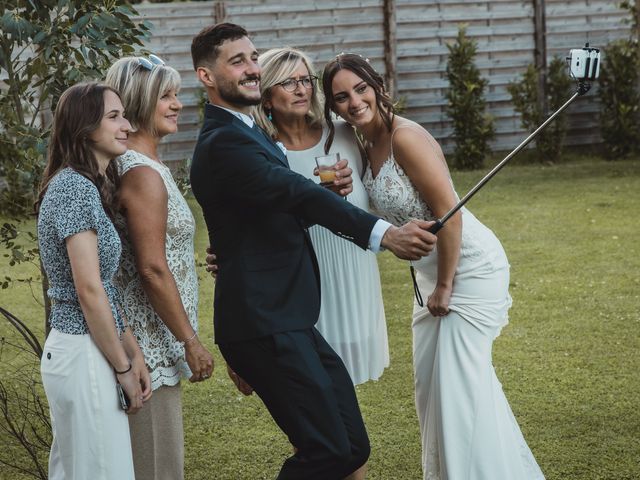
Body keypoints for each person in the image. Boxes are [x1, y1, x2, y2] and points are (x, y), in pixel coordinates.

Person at [190, 23, 437, 480]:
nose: (250, 69)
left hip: (292, 316)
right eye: (237, 61)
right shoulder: (224, 141)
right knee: (327, 451)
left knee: (352, 445)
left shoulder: (249, 133)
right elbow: (296, 194)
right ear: (207, 76)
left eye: (252, 57)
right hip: (264, 322)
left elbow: (278, 208)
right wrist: (386, 234)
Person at [322, 53, 545, 480]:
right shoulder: (363, 144)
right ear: (333, 107)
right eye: (341, 97)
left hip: (468, 270)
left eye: (361, 88)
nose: (354, 101)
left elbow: (451, 213)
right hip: (428, 279)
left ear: (377, 85)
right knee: (432, 390)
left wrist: (445, 285)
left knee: (457, 390)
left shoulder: (406, 137)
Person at [251, 47, 389, 385]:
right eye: (288, 82)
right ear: (267, 97)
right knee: (309, 390)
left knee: (345, 388)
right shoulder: (264, 152)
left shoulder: (342, 132)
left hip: (354, 278)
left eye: (305, 80)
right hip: (303, 284)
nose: (301, 89)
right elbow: (259, 221)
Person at [105, 56, 214, 480]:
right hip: (147, 345)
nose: (177, 104)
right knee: (156, 466)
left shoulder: (144, 166)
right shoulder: (140, 172)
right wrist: (191, 341)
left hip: (151, 339)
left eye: (176, 94)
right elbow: (151, 268)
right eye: (165, 96)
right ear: (138, 103)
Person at [37, 82, 152, 479]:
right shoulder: (73, 188)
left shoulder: (87, 186)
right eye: (114, 117)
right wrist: (122, 367)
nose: (127, 125)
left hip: (92, 345)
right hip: (82, 350)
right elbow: (88, 290)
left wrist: (132, 353)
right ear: (85, 128)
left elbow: (103, 287)